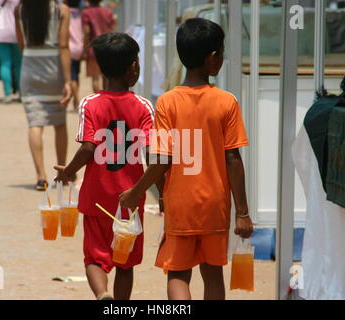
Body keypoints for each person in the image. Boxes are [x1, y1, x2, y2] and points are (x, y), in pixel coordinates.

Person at [119, 18, 254, 300]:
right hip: (215, 206)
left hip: (181, 204)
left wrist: (138, 191)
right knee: (213, 272)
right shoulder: (226, 101)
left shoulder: (167, 102)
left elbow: (161, 160)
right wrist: (242, 212)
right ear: (213, 58)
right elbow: (233, 159)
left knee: (178, 274)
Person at [53, 32, 162, 300]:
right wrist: (163, 194)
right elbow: (153, 156)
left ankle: (102, 294)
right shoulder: (143, 106)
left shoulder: (90, 104)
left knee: (94, 257)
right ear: (133, 68)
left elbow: (88, 148)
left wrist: (68, 172)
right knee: (126, 263)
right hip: (130, 198)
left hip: (96, 198)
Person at [15, 0, 72, 190]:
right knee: (60, 122)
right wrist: (67, 80)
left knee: (34, 123)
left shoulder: (20, 9)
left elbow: (21, 45)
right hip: (53, 70)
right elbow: (63, 46)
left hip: (29, 69)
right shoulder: (61, 10)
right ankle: (62, 172)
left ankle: (41, 176)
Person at [0, 0, 21, 103]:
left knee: (5, 63)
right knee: (19, 64)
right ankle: (21, 93)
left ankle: (8, 94)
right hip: (16, 32)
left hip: (0, 31)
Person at [82, 0, 116, 93]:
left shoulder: (86, 13)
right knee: (107, 78)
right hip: (108, 49)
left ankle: (99, 100)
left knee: (95, 79)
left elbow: (87, 33)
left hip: (94, 50)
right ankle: (106, 100)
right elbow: (113, 30)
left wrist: (85, 51)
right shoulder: (108, 12)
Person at [66, 0, 83, 111]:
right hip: (79, 47)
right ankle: (75, 100)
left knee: (71, 76)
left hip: (69, 47)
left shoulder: (65, 13)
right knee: (76, 75)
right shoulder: (81, 14)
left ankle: (76, 101)